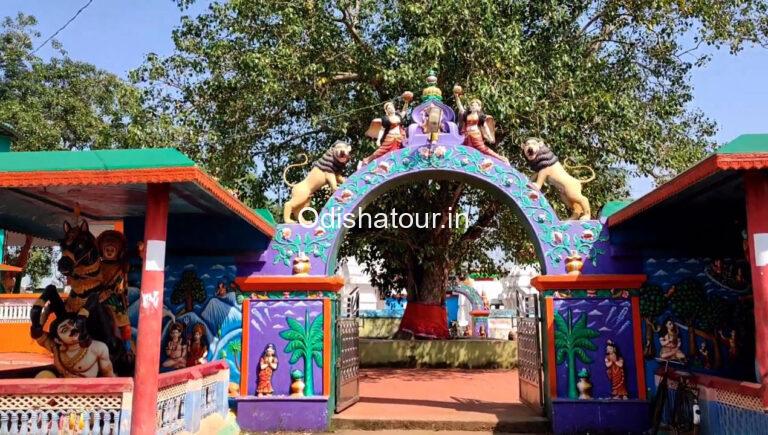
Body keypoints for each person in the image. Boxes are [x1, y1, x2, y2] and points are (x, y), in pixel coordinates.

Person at [31, 312, 114, 378]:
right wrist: (45, 312)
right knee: (44, 375)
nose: (72, 329)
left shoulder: (98, 348)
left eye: (73, 324)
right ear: (58, 340)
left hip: (88, 391)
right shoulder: (56, 347)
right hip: (63, 390)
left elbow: (108, 375)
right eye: (65, 330)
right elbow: (37, 332)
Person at [454, 89, 509, 163]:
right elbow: (460, 107)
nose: (473, 106)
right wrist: (457, 97)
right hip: (467, 135)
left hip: (476, 135)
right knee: (467, 149)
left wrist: (489, 137)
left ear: (479, 108)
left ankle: (500, 158)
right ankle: (467, 162)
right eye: (472, 105)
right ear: (470, 107)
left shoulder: (480, 116)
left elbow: (485, 127)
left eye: (475, 105)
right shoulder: (466, 115)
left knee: (483, 149)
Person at [362, 99, 411, 165]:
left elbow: (404, 111)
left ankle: (397, 162)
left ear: (394, 108)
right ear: (386, 111)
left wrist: (406, 102)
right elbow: (382, 130)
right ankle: (368, 160)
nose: (391, 109)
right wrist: (378, 140)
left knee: (399, 150)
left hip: (399, 138)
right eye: (389, 108)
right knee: (381, 150)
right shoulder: (386, 119)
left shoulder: (398, 116)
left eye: (391, 107)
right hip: (390, 138)